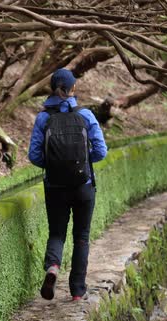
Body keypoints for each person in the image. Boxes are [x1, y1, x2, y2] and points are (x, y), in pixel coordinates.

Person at [28, 68, 108, 301]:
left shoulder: (43, 117)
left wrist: (54, 165)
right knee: (81, 237)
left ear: (52, 89)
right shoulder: (86, 115)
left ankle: (52, 267)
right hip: (84, 186)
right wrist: (82, 162)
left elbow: (34, 156)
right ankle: (77, 291)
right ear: (73, 89)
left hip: (55, 187)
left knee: (57, 233)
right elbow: (101, 151)